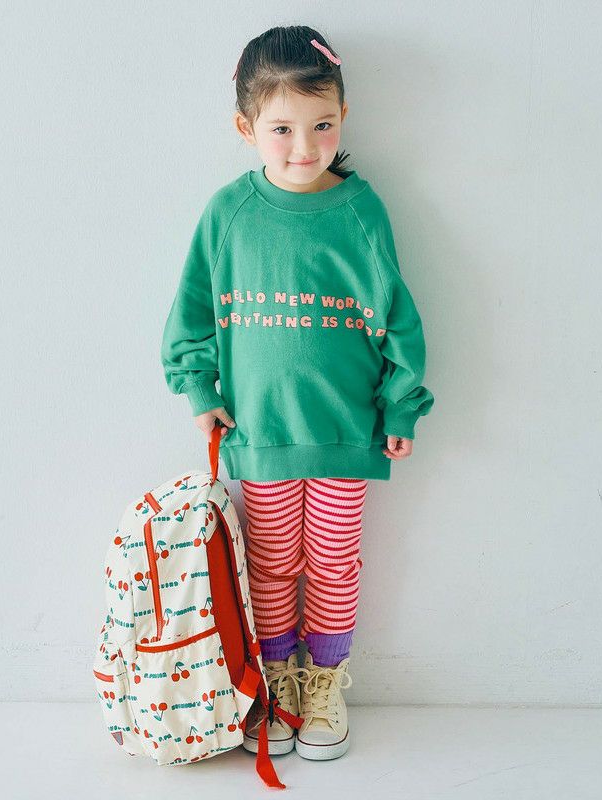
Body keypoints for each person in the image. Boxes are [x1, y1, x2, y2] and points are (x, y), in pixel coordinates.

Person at [160, 25, 435, 762]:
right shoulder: (229, 213)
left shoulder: (362, 211)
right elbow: (191, 310)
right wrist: (198, 386)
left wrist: (402, 403)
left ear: (343, 117)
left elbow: (398, 317)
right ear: (246, 127)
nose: (305, 147)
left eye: (322, 125)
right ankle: (277, 678)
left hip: (346, 430)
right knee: (273, 564)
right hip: (261, 433)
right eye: (281, 128)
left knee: (336, 563)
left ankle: (325, 682)